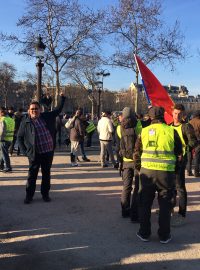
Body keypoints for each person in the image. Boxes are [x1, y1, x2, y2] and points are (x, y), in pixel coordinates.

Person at [135, 106, 183, 243]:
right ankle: (164, 235)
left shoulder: (143, 132)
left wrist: (140, 169)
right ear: (163, 116)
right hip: (166, 173)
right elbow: (179, 154)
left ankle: (144, 233)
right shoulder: (171, 131)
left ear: (150, 117)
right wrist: (175, 171)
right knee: (165, 206)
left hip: (147, 172)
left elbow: (137, 153)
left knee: (145, 204)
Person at [17, 94, 66, 204]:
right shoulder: (25, 122)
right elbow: (19, 137)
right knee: (32, 176)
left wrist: (62, 99)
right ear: (29, 111)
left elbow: (57, 110)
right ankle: (29, 196)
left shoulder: (46, 116)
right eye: (32, 109)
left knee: (46, 174)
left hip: (48, 152)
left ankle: (45, 194)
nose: (34, 110)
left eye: (36, 109)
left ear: (40, 109)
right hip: (35, 154)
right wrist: (25, 152)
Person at [170, 104, 197, 225]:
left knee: (180, 187)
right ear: (172, 113)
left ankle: (182, 214)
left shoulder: (186, 127)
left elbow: (194, 142)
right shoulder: (169, 126)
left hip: (181, 161)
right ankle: (169, 209)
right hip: (170, 160)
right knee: (170, 187)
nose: (177, 116)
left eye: (179, 114)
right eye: (175, 113)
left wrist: (183, 151)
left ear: (183, 115)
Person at [117, 107, 139, 221]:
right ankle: (135, 213)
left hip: (126, 161)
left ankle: (125, 210)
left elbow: (119, 144)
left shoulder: (119, 128)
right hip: (137, 161)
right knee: (137, 188)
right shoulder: (138, 125)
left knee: (126, 187)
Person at [0, 107, 15, 172]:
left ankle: (8, 167)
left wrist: (0, 139)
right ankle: (1, 165)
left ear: (1, 113)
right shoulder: (11, 119)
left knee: (4, 154)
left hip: (3, 139)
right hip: (10, 139)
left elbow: (2, 131)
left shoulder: (2, 120)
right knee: (2, 153)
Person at [189, 110, 200, 177]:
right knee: (197, 157)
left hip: (190, 141)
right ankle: (196, 172)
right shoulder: (199, 121)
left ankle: (189, 171)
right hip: (198, 140)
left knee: (189, 157)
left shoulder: (189, 122)